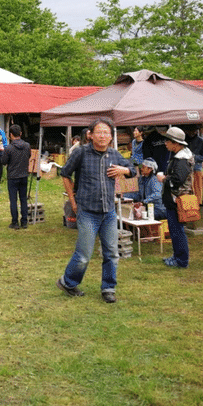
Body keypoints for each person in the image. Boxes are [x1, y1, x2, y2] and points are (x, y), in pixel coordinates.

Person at [56, 117, 135, 303]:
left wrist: (124, 171)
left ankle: (108, 288)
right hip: (87, 211)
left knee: (112, 253)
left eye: (106, 133)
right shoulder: (81, 153)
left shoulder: (114, 155)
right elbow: (65, 174)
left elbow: (133, 169)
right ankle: (68, 282)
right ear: (90, 135)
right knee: (84, 255)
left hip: (108, 211)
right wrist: (73, 201)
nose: (102, 136)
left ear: (111, 137)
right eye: (98, 132)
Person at [158, 126, 194, 269]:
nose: (165, 143)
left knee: (177, 231)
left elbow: (177, 180)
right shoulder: (179, 156)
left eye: (168, 140)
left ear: (176, 143)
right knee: (174, 231)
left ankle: (181, 261)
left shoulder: (182, 160)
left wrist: (163, 179)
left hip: (176, 201)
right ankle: (176, 257)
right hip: (173, 200)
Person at [1, 124, 31, 229]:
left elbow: (3, 161)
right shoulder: (27, 146)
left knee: (13, 200)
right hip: (24, 175)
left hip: (13, 176)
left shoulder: (9, 148)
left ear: (10, 135)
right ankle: (24, 222)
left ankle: (15, 222)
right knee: (23, 199)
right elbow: (29, 156)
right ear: (21, 134)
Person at [183, 126, 203, 206]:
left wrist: (193, 157)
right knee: (186, 192)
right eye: (190, 130)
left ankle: (197, 209)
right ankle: (187, 210)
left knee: (197, 192)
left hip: (196, 169)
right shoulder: (184, 141)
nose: (192, 132)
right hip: (185, 169)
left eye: (194, 130)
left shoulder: (201, 141)